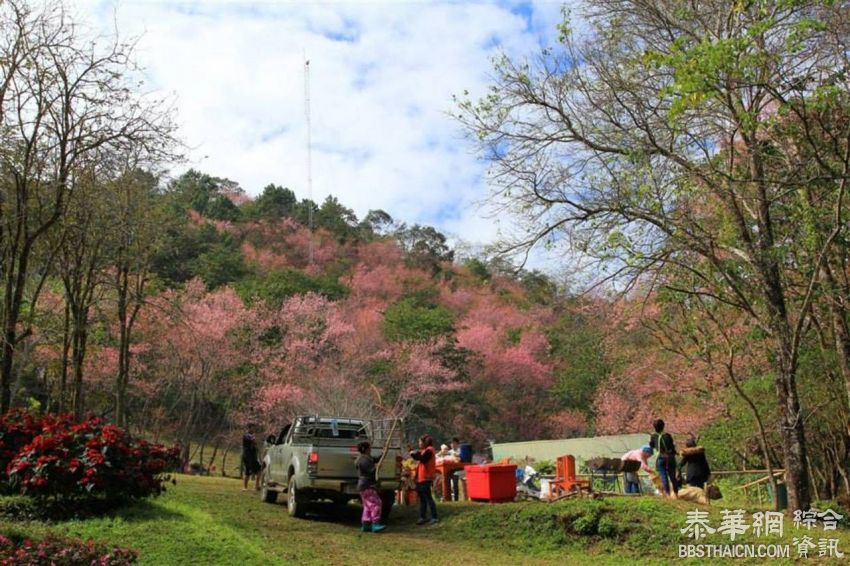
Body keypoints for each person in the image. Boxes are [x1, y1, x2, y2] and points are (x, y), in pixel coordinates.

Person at [355, 441, 386, 533]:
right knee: (376, 503)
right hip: (367, 485)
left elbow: (375, 460)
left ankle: (366, 524)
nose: (370, 449)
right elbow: (371, 471)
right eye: (369, 448)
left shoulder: (365, 458)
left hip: (363, 486)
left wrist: (383, 454)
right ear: (366, 449)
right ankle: (375, 523)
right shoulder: (363, 460)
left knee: (368, 506)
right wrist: (378, 467)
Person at [409, 434, 438, 525]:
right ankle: (422, 517)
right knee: (422, 499)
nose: (419, 444)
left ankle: (434, 517)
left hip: (426, 478)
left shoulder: (429, 451)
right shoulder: (424, 451)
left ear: (425, 442)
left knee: (428, 498)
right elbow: (418, 456)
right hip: (421, 478)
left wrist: (413, 453)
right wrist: (411, 452)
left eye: (420, 442)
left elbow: (422, 459)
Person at [649, 419, 678, 498]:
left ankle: (667, 495)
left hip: (661, 457)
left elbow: (651, 445)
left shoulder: (653, 436)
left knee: (663, 476)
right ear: (663, 426)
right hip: (670, 457)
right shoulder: (668, 435)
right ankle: (676, 494)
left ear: (654, 427)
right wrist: (676, 453)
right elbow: (672, 446)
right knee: (672, 476)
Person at [241, 423, 261, 491]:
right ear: (249, 428)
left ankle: (256, 486)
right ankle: (246, 487)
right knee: (248, 471)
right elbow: (254, 441)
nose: (254, 429)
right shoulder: (247, 435)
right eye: (253, 428)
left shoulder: (251, 435)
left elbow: (255, 443)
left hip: (251, 456)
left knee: (257, 470)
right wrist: (255, 443)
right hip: (248, 456)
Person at [448, 437, 463, 501]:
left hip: (458, 471)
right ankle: (449, 498)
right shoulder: (449, 452)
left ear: (457, 444)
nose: (452, 445)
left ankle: (456, 499)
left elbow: (461, 458)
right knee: (451, 485)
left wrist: (456, 455)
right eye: (451, 443)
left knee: (455, 485)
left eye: (454, 443)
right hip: (450, 471)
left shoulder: (461, 450)